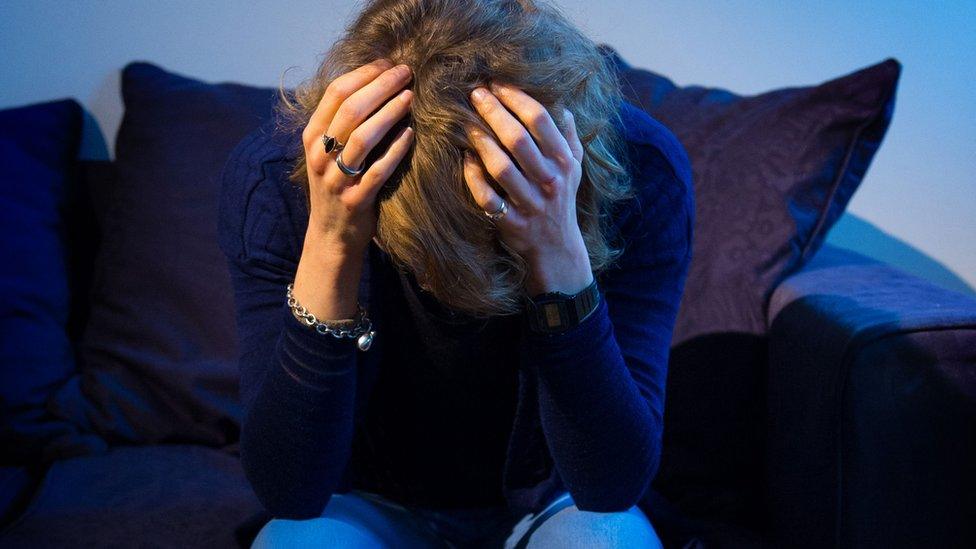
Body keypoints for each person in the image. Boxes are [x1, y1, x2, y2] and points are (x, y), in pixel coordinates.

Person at [216, 0, 694, 546]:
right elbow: (289, 493)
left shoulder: (639, 167)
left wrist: (555, 246)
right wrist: (332, 239)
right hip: (365, 501)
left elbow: (611, 486)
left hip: (557, 501)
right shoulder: (283, 178)